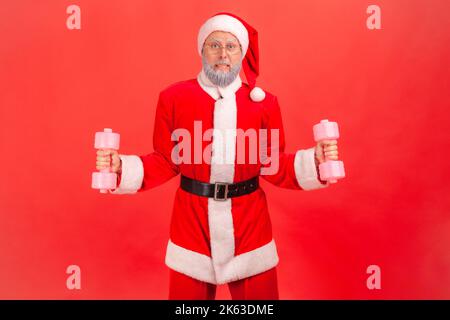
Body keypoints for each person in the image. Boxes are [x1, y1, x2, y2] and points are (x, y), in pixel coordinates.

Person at [95, 12, 339, 300]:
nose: (223, 54)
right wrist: (119, 167)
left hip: (250, 223)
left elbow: (274, 164)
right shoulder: (173, 98)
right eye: (214, 45)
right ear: (202, 50)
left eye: (231, 46)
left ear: (241, 53)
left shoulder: (265, 104)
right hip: (191, 223)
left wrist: (318, 163)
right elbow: (165, 160)